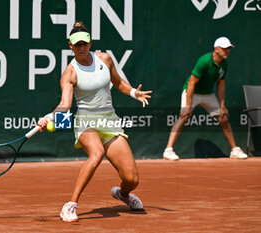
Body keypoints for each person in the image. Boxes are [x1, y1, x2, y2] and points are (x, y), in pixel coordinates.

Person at [37, 21, 152, 222]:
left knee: (131, 179)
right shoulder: (70, 73)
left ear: (90, 43)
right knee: (97, 153)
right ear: (70, 45)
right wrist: (49, 117)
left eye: (84, 43)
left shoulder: (104, 59)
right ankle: (70, 205)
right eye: (77, 44)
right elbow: (65, 104)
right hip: (86, 121)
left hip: (109, 122)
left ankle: (122, 195)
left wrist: (134, 92)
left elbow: (118, 83)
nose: (81, 48)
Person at [163, 37, 248, 161]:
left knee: (223, 118)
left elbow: (221, 85)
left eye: (229, 48)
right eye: (225, 49)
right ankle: (168, 150)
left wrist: (223, 105)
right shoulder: (204, 61)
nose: (228, 51)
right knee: (184, 116)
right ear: (216, 50)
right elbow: (191, 83)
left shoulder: (224, 64)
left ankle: (234, 150)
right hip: (192, 92)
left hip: (208, 94)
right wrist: (187, 105)